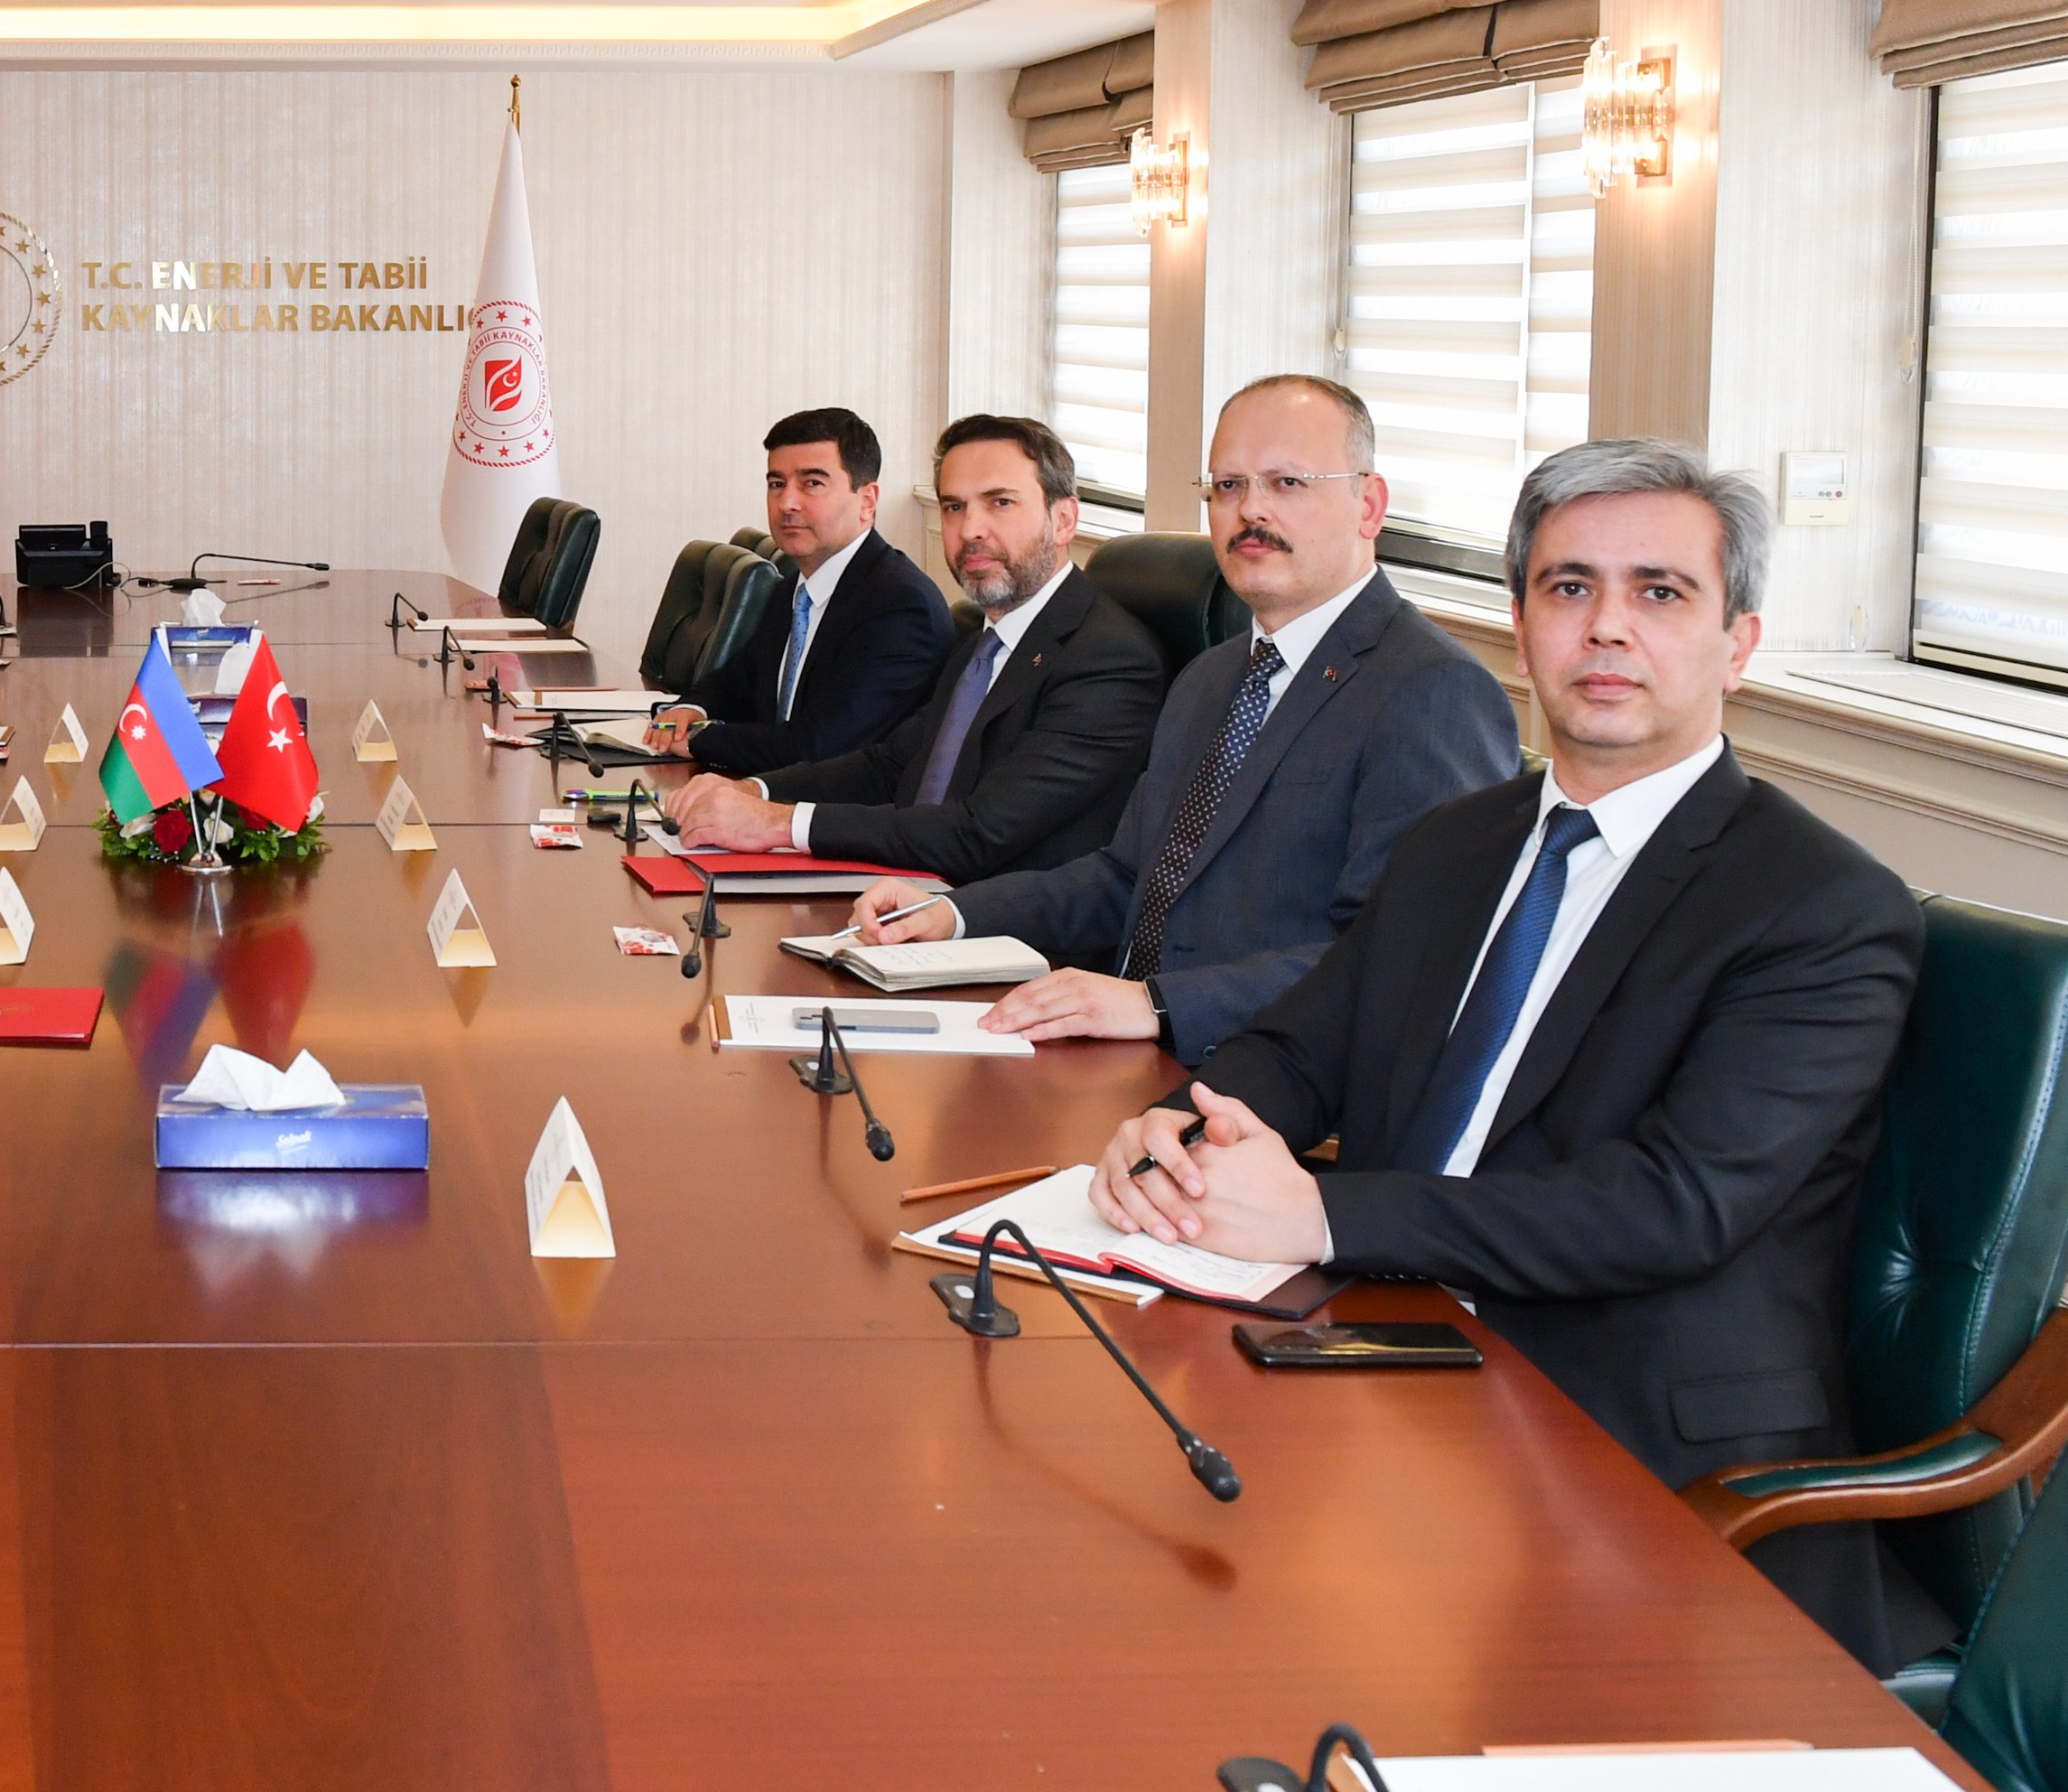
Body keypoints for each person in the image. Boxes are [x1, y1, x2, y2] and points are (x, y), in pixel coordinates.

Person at [1085, 440, 1925, 1665]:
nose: (1607, 627)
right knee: (1125, 1568)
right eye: (1568, 588)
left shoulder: (1821, 908)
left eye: (1660, 591)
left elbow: (1671, 1205)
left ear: (1737, 643)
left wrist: (1318, 1212)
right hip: (1386, 1348)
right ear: (1521, 630)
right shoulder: (1457, 844)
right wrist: (1181, 1123)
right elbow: (1302, 1046)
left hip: (1635, 1444)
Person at [841, 377, 1518, 1059]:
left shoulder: (1433, 691)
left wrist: (1157, 1004)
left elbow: (1396, 957)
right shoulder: (1211, 677)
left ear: (1368, 505)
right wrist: (953, 913)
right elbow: (1124, 877)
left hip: (1264, 1079)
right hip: (1126, 1050)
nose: (1250, 509)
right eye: (1227, 486)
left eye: (1287, 482)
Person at [661, 415, 1164, 877]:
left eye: (1000, 503)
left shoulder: (1108, 661)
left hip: (998, 925)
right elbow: (889, 765)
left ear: (1064, 520)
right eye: (954, 507)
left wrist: (778, 823)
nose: (970, 530)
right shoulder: (983, 645)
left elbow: (979, 832)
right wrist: (754, 790)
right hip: (907, 892)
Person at [643, 406, 954, 777]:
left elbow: (818, 747)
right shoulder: (795, 586)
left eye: (812, 483)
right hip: (774, 791)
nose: (787, 503)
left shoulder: (900, 607)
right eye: (777, 484)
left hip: (836, 807)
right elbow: (738, 681)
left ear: (867, 501)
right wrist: (691, 710)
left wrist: (699, 740)